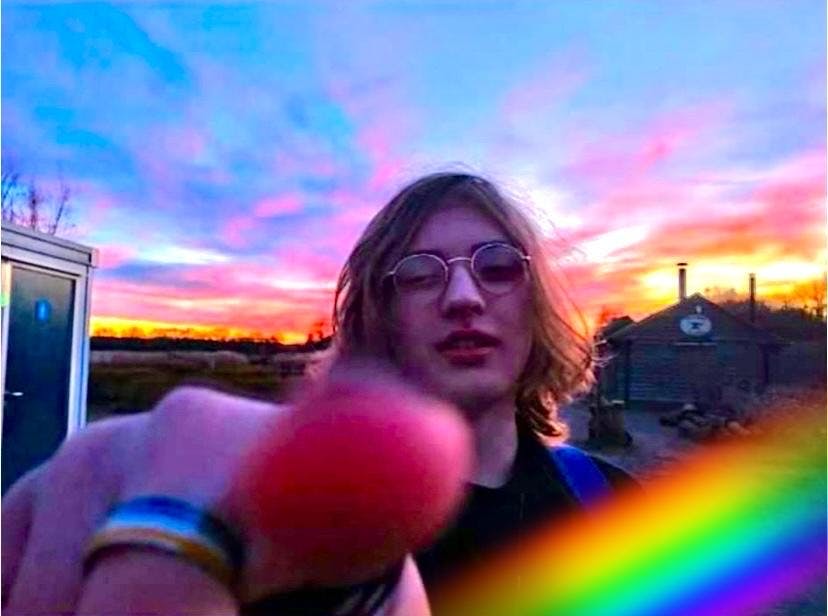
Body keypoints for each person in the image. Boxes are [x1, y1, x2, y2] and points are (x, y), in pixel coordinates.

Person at [1, 171, 632, 615]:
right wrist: (171, 499)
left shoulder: (617, 508)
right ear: (376, 314)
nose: (463, 298)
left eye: (497, 266)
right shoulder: (286, 525)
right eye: (418, 275)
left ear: (537, 299)